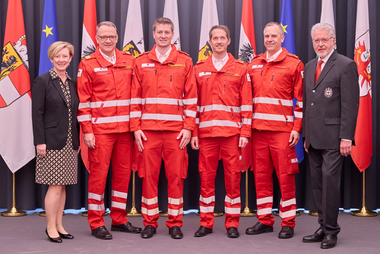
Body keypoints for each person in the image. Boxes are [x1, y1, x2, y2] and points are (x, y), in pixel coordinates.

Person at [131, 17, 197, 239]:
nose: (163, 35)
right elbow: (134, 98)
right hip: (148, 131)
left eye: (167, 32)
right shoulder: (140, 62)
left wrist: (189, 127)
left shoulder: (185, 61)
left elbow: (191, 97)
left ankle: (175, 223)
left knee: (176, 177)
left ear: (172, 34)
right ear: (153, 34)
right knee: (149, 176)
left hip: (176, 132)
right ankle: (149, 222)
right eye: (159, 32)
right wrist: (135, 127)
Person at [77, 21, 141, 240]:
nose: (108, 40)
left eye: (111, 36)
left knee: (122, 176)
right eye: (103, 37)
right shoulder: (87, 64)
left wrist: (135, 127)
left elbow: (136, 96)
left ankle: (119, 219)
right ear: (96, 38)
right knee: (99, 177)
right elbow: (83, 101)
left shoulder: (129, 60)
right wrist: (87, 130)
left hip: (125, 131)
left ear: (116, 37)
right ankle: (96, 222)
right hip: (100, 131)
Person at [191, 25, 252, 238]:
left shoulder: (240, 68)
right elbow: (193, 104)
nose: (218, 41)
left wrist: (245, 132)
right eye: (214, 38)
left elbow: (246, 103)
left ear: (229, 41)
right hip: (206, 135)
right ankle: (206, 223)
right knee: (206, 179)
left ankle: (232, 223)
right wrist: (194, 133)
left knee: (233, 180)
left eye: (222, 38)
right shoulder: (198, 68)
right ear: (209, 42)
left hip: (232, 135)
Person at [302, 23, 359, 249]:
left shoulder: (346, 65)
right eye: (317, 40)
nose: (320, 44)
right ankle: (323, 225)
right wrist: (306, 135)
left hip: (335, 138)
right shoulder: (308, 66)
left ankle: (332, 231)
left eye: (325, 40)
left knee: (330, 184)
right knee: (317, 185)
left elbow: (350, 105)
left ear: (333, 40)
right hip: (314, 137)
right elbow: (309, 104)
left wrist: (346, 137)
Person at [246, 22, 304, 239]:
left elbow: (300, 100)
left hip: (282, 132)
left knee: (285, 176)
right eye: (266, 36)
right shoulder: (253, 64)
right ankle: (264, 220)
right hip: (258, 132)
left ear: (282, 38)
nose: (269, 39)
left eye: (273, 36)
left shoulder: (294, 65)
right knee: (261, 177)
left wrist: (296, 128)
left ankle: (287, 222)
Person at [32, 41, 78, 243]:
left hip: (69, 142)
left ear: (70, 59)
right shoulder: (42, 81)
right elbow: (37, 114)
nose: (61, 60)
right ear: (51, 58)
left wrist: (76, 142)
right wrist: (39, 141)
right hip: (50, 142)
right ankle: (50, 227)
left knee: (63, 186)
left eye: (65, 56)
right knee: (55, 186)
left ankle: (59, 225)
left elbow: (74, 114)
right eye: (57, 56)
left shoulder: (71, 82)